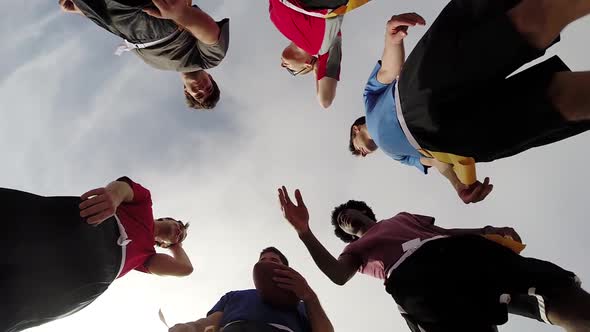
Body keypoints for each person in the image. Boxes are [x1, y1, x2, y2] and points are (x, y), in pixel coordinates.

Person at [349, 0, 590, 204]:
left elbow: (390, 71)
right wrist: (458, 184)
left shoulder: (369, 100)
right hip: (448, 140)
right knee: (560, 104)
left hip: (416, 93)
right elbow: (437, 161)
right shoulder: (399, 156)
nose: (361, 153)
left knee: (523, 27)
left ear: (356, 129)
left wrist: (392, 40)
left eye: (356, 148)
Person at [277, 186, 590, 332]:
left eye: (348, 213)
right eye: (342, 222)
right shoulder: (355, 251)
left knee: (550, 288)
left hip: (459, 252)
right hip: (415, 281)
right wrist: (305, 231)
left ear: (364, 211)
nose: (346, 220)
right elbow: (337, 275)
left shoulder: (401, 218)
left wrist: (485, 229)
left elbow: (444, 231)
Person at [2, 176, 194, 332]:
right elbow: (124, 188)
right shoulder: (144, 204)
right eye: (178, 225)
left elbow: (185, 269)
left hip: (91, 274)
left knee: (17, 305)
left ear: (164, 244)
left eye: (180, 237)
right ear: (166, 218)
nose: (179, 232)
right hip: (89, 225)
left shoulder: (148, 257)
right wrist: (113, 196)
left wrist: (175, 243)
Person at [59, 0, 230, 110]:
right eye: (207, 87)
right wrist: (182, 14)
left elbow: (124, 28)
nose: (201, 88)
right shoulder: (209, 59)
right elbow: (211, 35)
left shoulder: (159, 65)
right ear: (210, 77)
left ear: (187, 92)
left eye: (198, 94)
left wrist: (82, 10)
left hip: (113, 22)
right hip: (155, 20)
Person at [168, 247, 334, 332]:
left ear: (286, 268)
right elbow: (213, 321)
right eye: (263, 260)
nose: (267, 262)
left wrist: (309, 296)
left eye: (274, 260)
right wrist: (192, 327)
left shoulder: (301, 304)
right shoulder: (235, 296)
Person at [269, 0, 354, 109]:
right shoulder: (323, 47)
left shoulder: (274, 18)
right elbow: (325, 101)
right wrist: (318, 71)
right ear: (308, 64)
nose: (282, 65)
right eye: (291, 71)